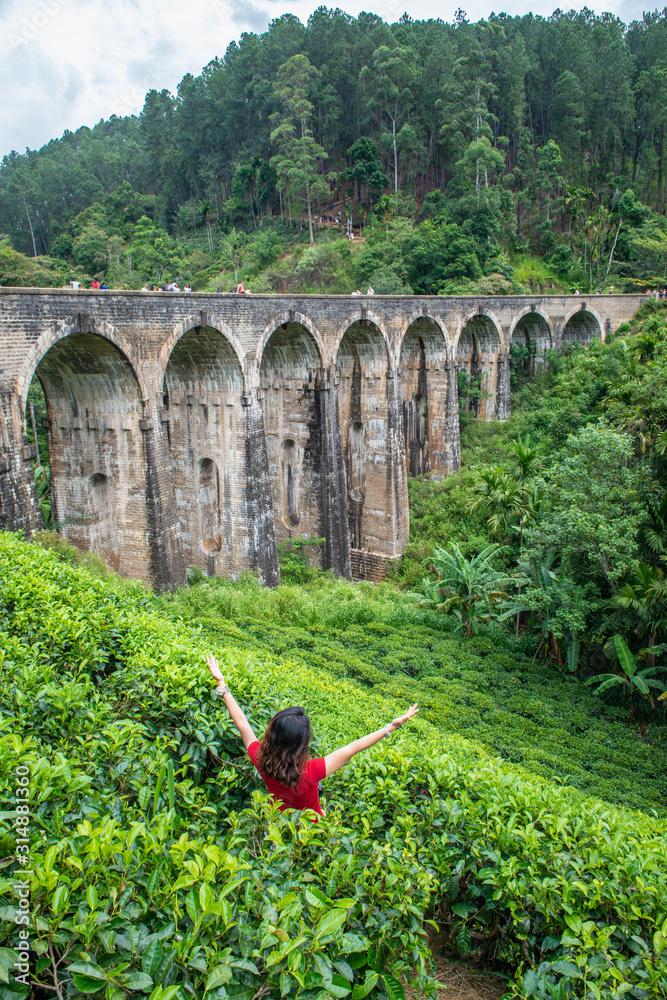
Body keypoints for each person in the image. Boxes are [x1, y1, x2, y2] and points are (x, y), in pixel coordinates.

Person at [206, 654, 418, 819]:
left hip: (279, 823)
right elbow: (354, 748)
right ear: (301, 743)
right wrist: (391, 726)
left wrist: (221, 683)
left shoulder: (260, 758)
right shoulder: (311, 771)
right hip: (311, 832)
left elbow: (242, 723)